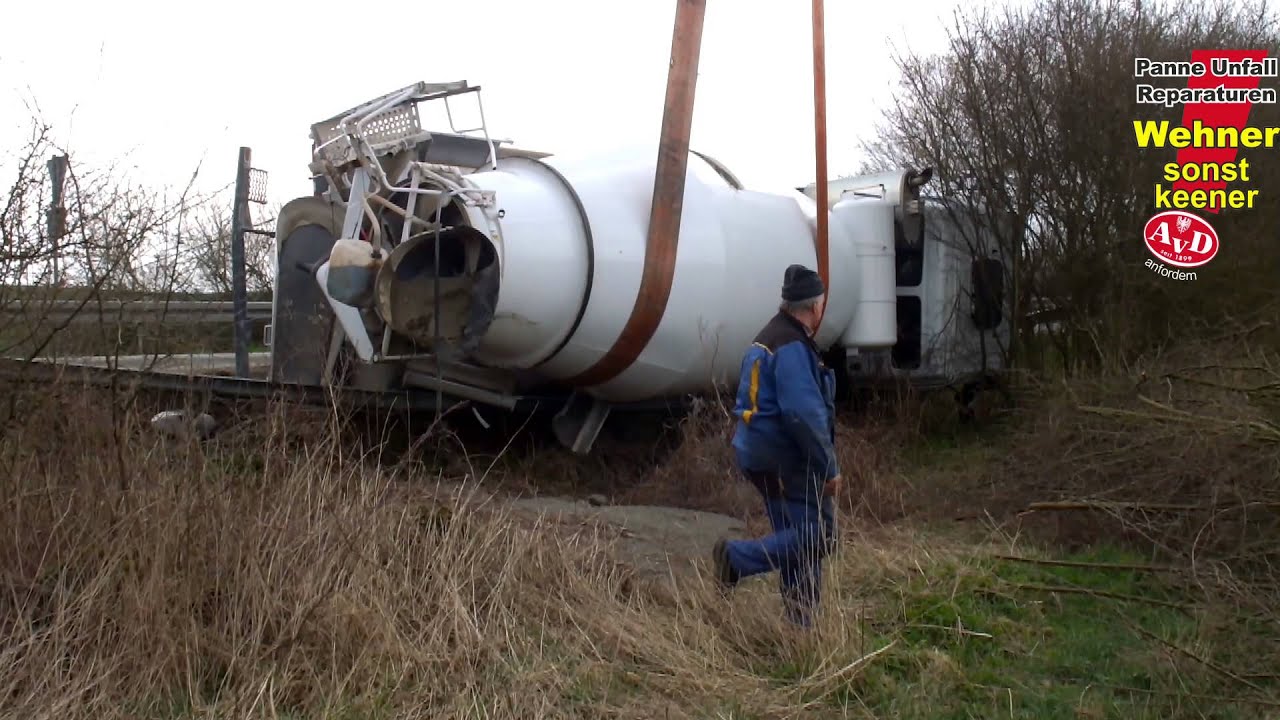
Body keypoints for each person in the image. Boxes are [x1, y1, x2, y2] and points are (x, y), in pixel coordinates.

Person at [712, 263, 842, 628]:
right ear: (815, 307)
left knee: (796, 541)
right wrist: (828, 468)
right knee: (819, 536)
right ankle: (737, 558)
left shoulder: (767, 337)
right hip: (785, 459)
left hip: (758, 455)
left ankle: (801, 630)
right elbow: (803, 413)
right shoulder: (792, 347)